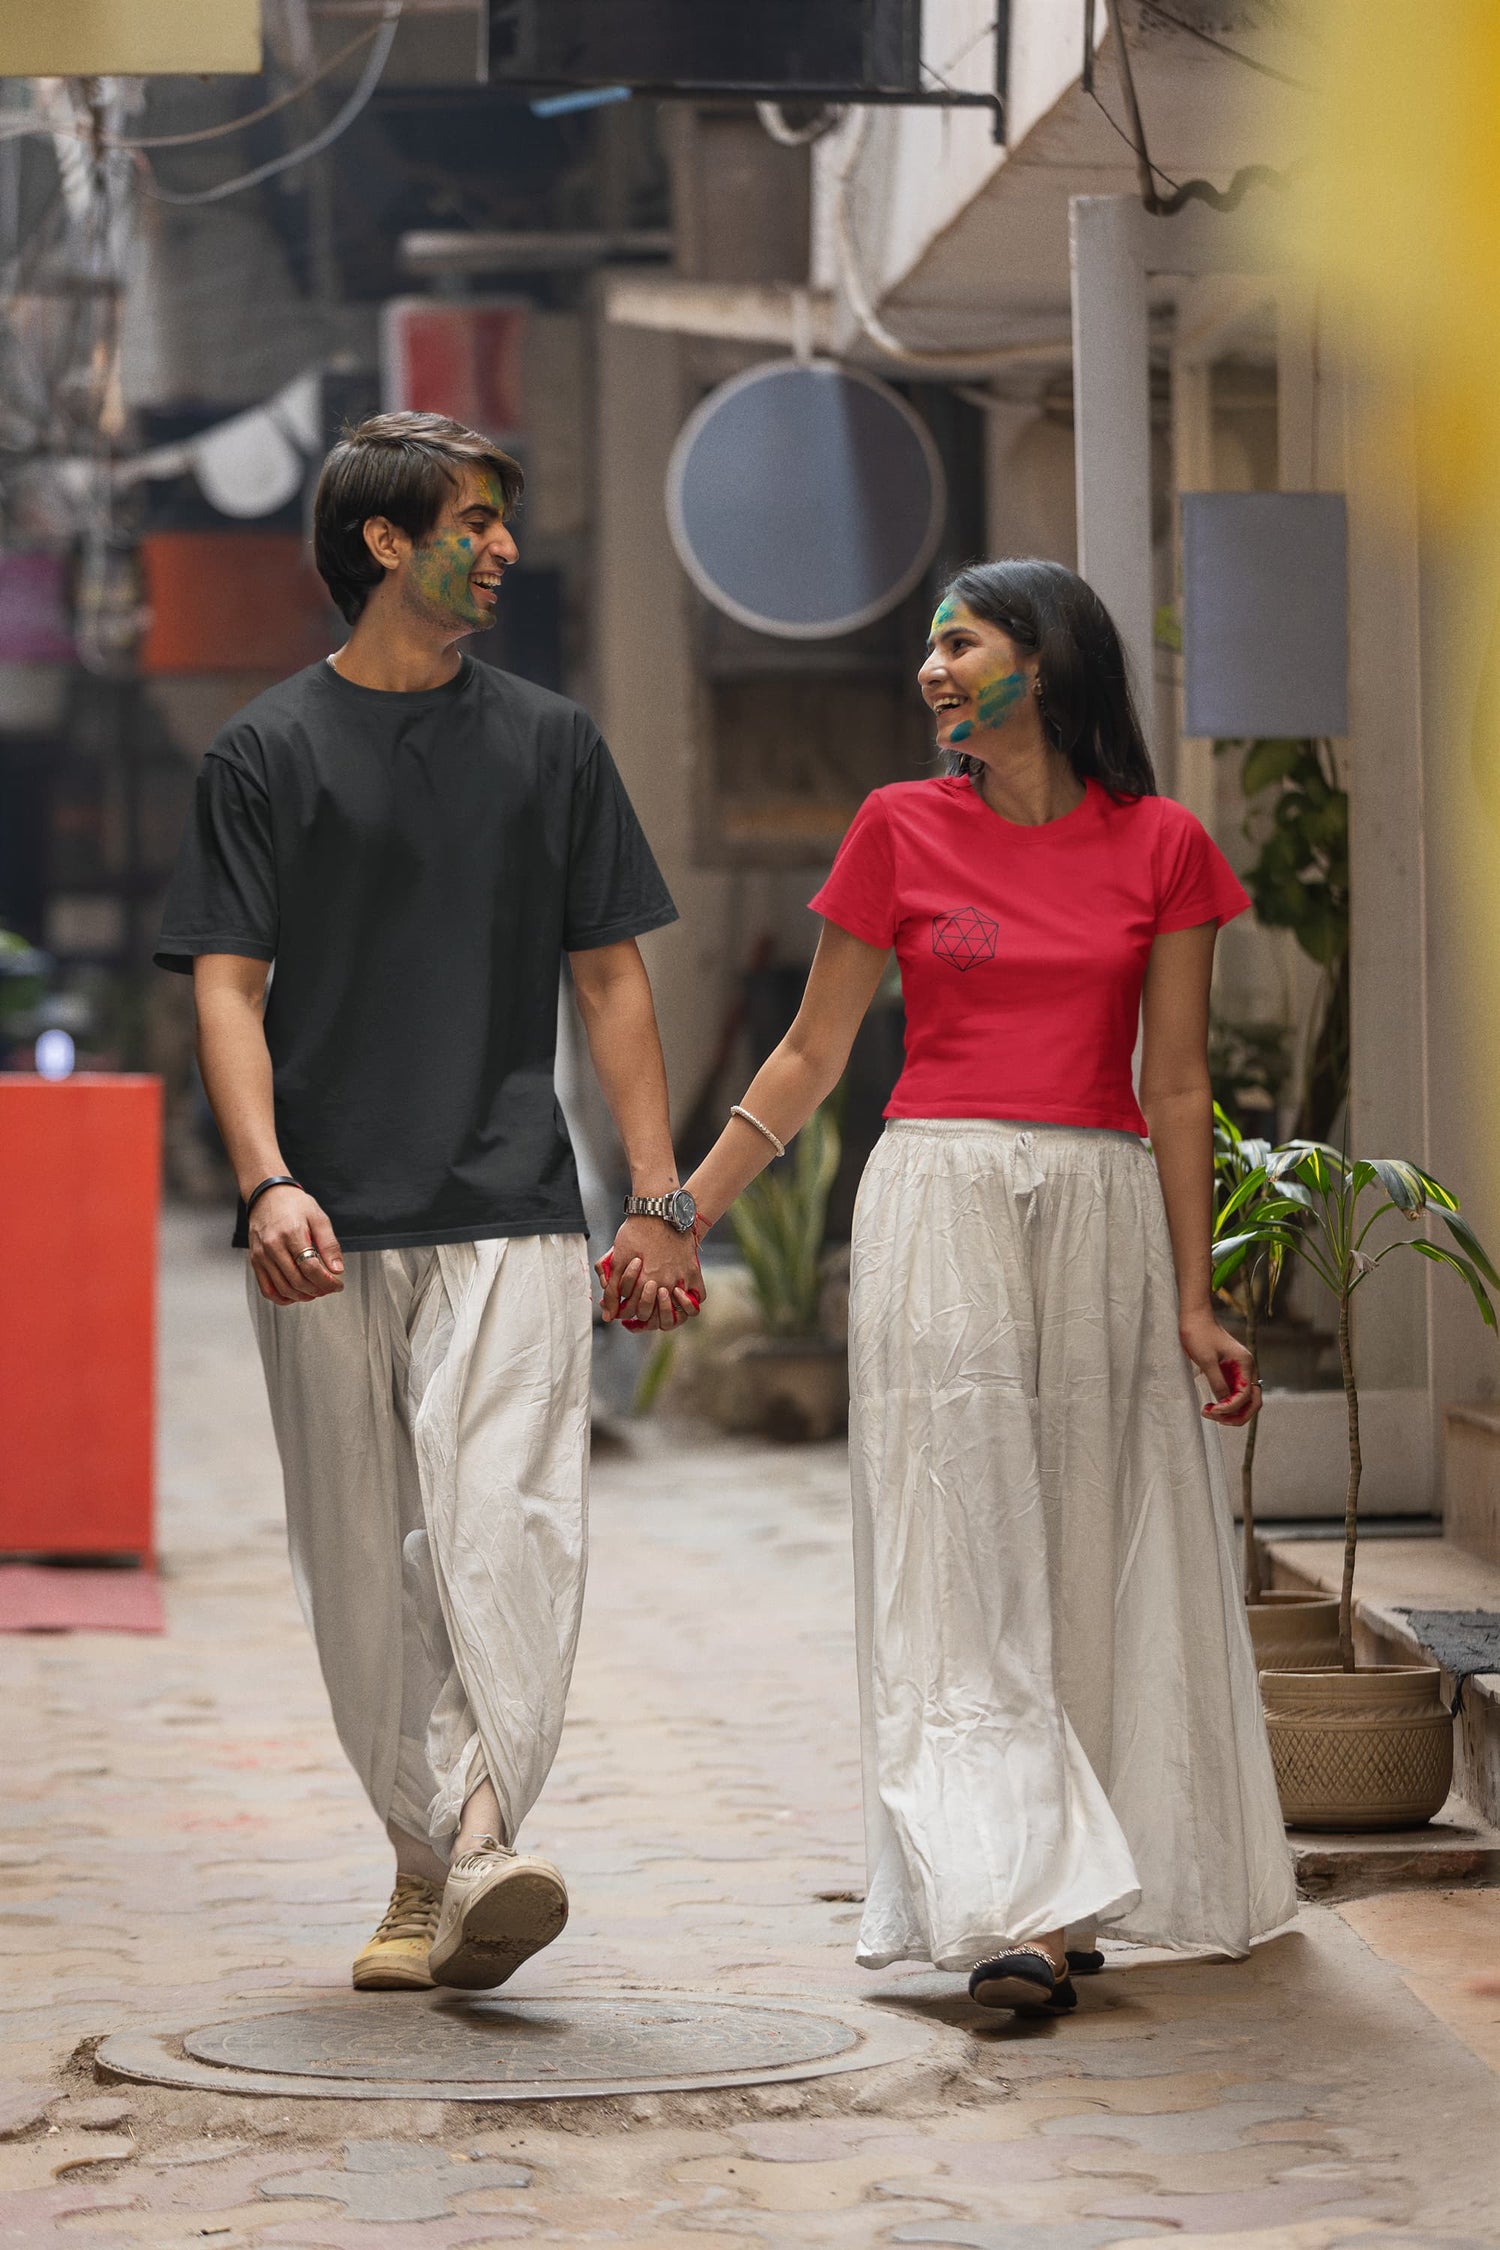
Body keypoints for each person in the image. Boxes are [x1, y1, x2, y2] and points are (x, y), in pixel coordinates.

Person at [604, 558, 1296, 2015]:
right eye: (929, 645)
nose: (931, 668)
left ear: (1041, 663)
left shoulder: (1165, 846)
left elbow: (1174, 1085)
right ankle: (1013, 1900)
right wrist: (678, 1212)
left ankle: (1071, 1874)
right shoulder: (898, 829)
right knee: (965, 1548)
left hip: (1103, 1205)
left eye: (958, 641)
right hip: (940, 1205)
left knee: (1085, 1535)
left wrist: (1195, 1294)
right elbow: (803, 1057)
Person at [156, 411, 703, 1994]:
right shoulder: (262, 755)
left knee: (505, 1526)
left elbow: (611, 983)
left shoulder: (552, 743)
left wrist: (657, 1196)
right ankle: (426, 1863)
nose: (508, 547)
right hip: (326, 1222)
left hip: (513, 1207)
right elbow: (228, 992)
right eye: (478, 519)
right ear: (387, 543)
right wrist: (264, 1181)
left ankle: (473, 1840)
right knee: (362, 1551)